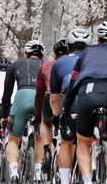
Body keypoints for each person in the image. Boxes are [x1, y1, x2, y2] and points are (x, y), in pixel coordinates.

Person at [62, 21, 107, 184]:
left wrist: (66, 110)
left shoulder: (87, 52)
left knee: (83, 143)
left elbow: (73, 81)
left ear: (98, 40)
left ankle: (87, 179)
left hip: (88, 91)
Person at [51, 29, 92, 184]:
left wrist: (57, 117)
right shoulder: (94, 59)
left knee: (67, 142)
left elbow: (54, 98)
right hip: (95, 98)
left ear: (68, 47)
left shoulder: (59, 63)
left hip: (73, 101)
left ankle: (64, 180)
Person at [3, 41, 47, 184]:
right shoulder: (47, 65)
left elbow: (6, 95)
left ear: (25, 54)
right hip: (42, 98)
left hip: (22, 96)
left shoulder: (15, 65)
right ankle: (38, 174)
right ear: (43, 56)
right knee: (40, 138)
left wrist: (4, 116)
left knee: (13, 140)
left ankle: (14, 172)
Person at [36, 40, 70, 182]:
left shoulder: (45, 67)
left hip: (50, 99)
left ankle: (47, 150)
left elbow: (39, 93)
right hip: (69, 99)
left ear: (55, 55)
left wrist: (37, 115)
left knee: (46, 123)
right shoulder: (76, 63)